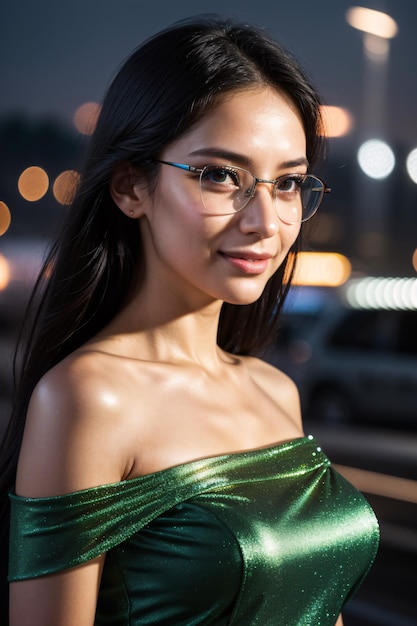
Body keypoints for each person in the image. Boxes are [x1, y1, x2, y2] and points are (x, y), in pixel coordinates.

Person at [0, 15, 379, 626]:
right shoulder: (89, 398)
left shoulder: (274, 389)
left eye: (286, 183)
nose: (265, 221)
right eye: (220, 176)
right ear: (131, 188)